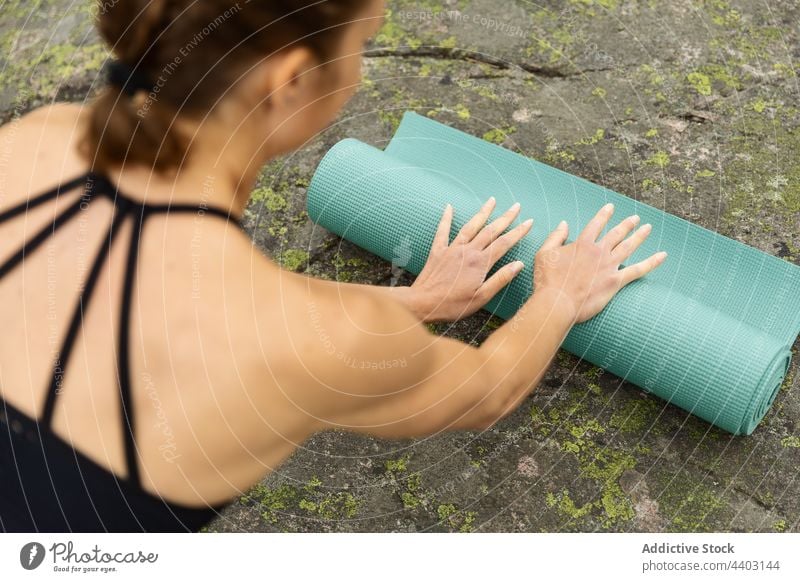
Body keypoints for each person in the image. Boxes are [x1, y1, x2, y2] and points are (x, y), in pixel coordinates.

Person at [0, 0, 666, 532]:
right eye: (363, 43)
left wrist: (411, 304)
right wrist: (559, 293)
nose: (362, 70)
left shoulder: (33, 139)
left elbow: (146, 281)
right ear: (289, 80)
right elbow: (487, 391)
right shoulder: (322, 343)